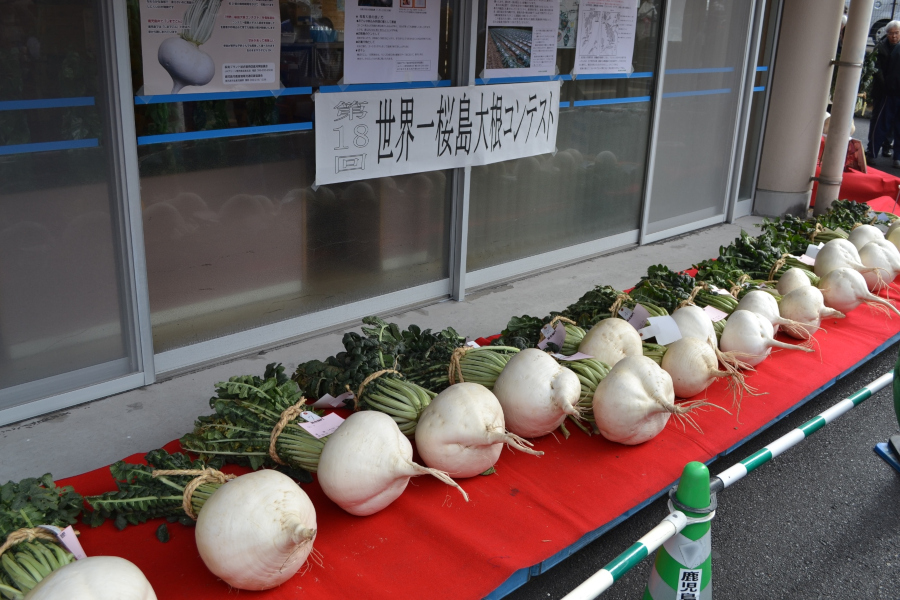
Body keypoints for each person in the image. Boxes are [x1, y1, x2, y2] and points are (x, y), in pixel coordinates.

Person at [868, 21, 900, 165]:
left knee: (895, 125)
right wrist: (886, 85)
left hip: (893, 90)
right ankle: (873, 151)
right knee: (880, 122)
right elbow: (877, 69)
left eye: (896, 33)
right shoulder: (881, 47)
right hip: (886, 91)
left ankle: (894, 154)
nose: (893, 36)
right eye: (891, 33)